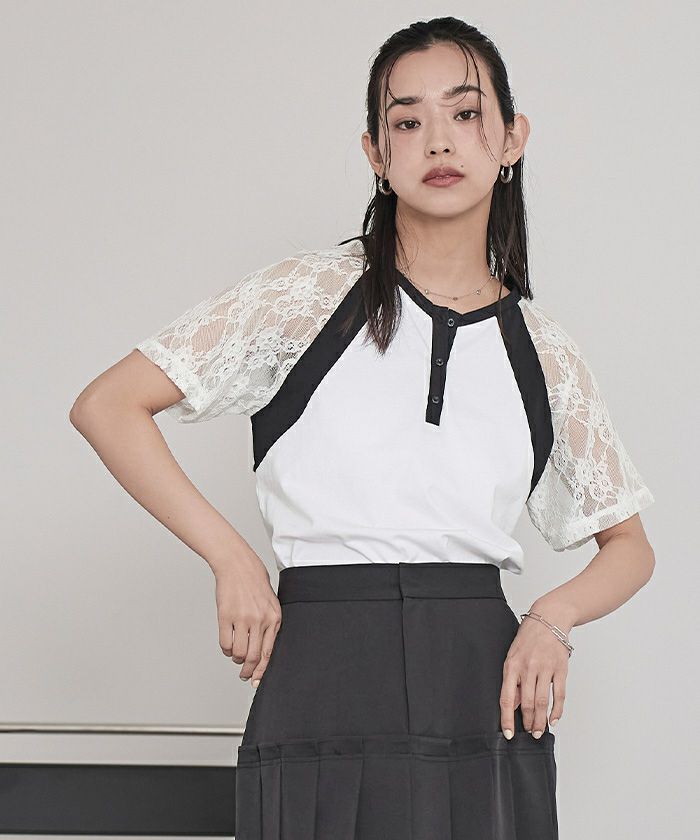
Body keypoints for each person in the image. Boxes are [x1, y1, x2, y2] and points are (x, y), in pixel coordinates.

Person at [70, 16, 656, 840]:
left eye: (464, 113)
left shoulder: (543, 349)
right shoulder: (307, 298)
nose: (437, 141)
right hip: (323, 669)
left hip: (480, 682)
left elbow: (629, 546)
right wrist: (232, 558)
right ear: (376, 155)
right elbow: (107, 405)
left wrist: (550, 619)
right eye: (407, 122)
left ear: (511, 139)